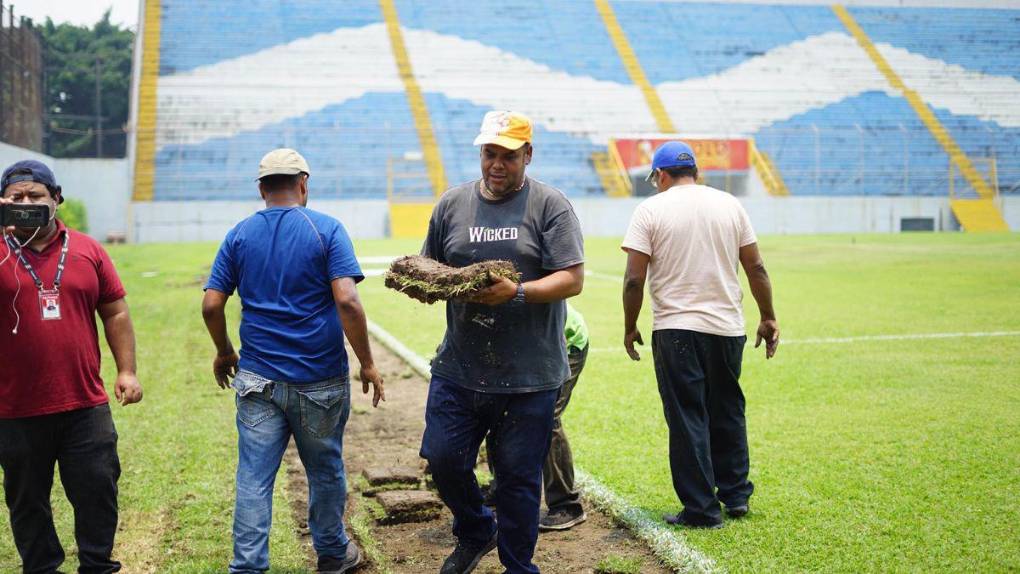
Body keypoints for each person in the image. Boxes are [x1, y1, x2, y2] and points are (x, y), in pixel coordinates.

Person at [201, 148, 384, 574]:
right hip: (319, 379)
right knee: (324, 471)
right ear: (304, 183)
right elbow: (348, 302)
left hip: (257, 380)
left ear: (262, 188)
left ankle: (247, 567)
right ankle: (333, 554)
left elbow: (212, 305)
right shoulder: (326, 229)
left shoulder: (239, 235)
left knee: (253, 478)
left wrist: (225, 351)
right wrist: (368, 362)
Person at [420, 111, 585, 574]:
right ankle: (476, 529)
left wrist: (517, 292)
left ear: (527, 155)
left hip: (529, 374)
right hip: (460, 367)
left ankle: (519, 566)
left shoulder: (550, 205)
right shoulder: (451, 205)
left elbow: (572, 279)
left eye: (508, 155)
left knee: (516, 482)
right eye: (489, 153)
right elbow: (430, 266)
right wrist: (422, 281)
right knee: (443, 458)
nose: (497, 164)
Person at [621, 141, 779, 529]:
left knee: (687, 416)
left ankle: (701, 510)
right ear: (696, 172)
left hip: (676, 329)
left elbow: (633, 279)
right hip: (727, 328)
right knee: (727, 410)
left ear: (660, 175)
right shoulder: (730, 204)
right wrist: (768, 316)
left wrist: (630, 326)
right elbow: (755, 267)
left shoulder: (649, 209)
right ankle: (736, 495)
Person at [0, 160, 143, 573]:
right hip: (14, 408)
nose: (26, 203)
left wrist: (127, 370)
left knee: (98, 487)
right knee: (27, 499)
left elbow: (115, 312)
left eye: (35, 196)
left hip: (84, 403)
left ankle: (97, 564)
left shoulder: (88, 249)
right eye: (17, 197)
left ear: (56, 199)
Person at [484, 303, 590, 531]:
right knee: (498, 409)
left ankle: (566, 505)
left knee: (547, 417)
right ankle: (500, 487)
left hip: (563, 343)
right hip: (522, 348)